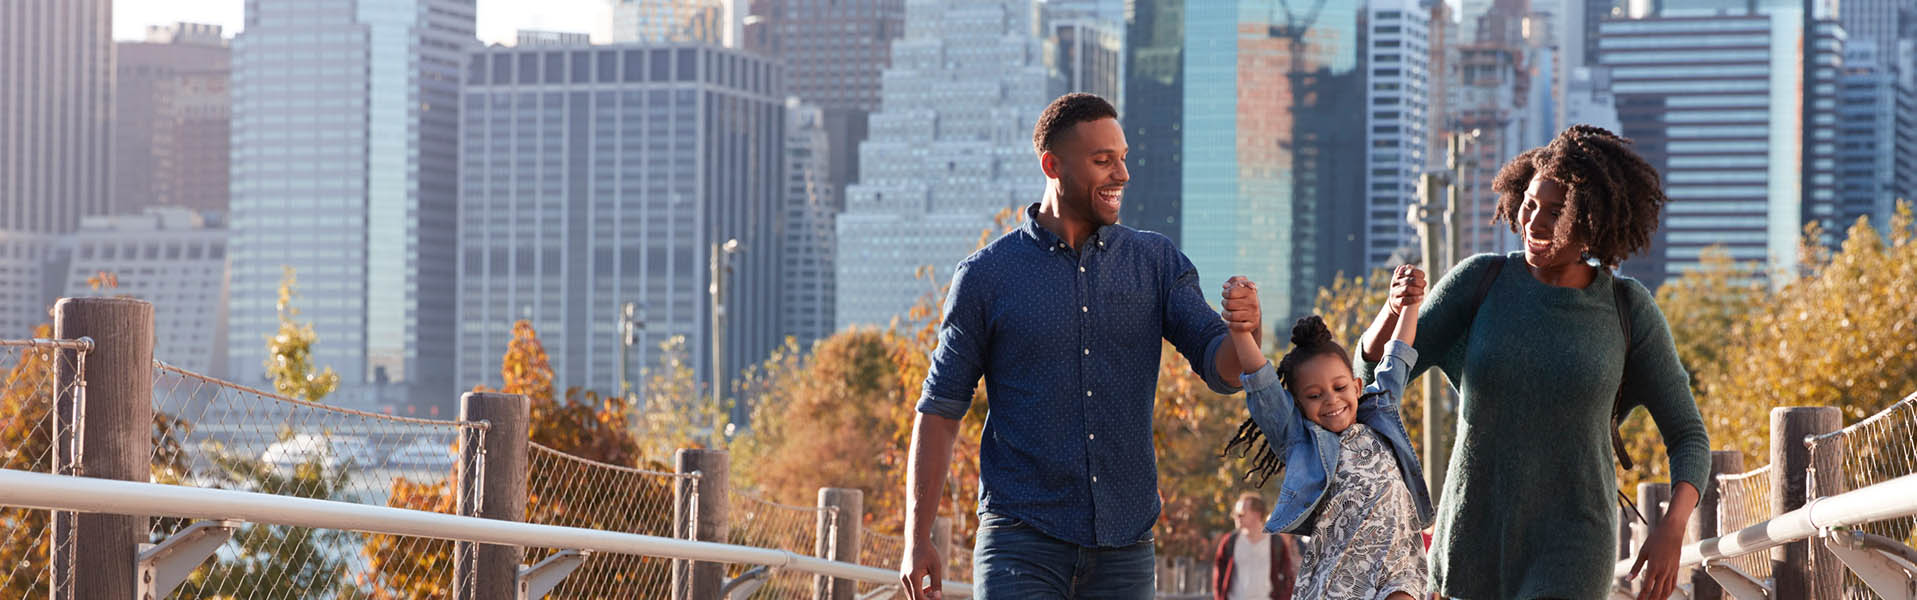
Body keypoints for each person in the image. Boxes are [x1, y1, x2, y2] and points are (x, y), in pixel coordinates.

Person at [896, 92, 1265, 599]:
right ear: (1053, 165)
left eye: (1123, 158)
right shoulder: (986, 277)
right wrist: (916, 538)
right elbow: (939, 411)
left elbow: (1224, 370)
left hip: (1126, 548)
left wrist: (1245, 330)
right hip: (1020, 542)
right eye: (1103, 160)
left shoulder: (1155, 262)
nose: (1122, 174)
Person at [1354, 125, 1711, 599]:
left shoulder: (1627, 309)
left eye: (1556, 212)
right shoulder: (1479, 282)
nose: (1535, 222)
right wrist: (1392, 310)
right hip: (1472, 539)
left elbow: (1688, 435)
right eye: (1530, 204)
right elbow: (1371, 383)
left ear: (1591, 220)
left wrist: (1673, 526)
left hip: (1575, 543)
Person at [1221, 266, 1433, 600]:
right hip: (1341, 577)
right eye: (1315, 395)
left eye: (1339, 388)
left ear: (1357, 386)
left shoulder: (1380, 411)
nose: (1332, 400)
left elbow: (1398, 357)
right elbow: (1263, 384)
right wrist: (1241, 332)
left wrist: (1410, 305)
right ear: (1298, 404)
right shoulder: (1300, 441)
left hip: (1397, 566)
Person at [1211, 492, 1299, 600]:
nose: (1236, 517)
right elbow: (1218, 578)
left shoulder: (1276, 542)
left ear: (1257, 514)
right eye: (1235, 513)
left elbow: (1287, 578)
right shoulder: (1229, 541)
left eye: (1241, 513)